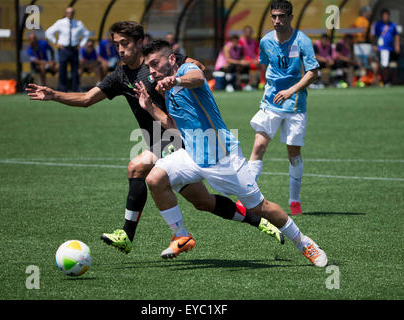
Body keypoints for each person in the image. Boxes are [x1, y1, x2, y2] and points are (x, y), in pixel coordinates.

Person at [26, 21, 284, 255]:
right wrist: (54, 94)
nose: (120, 50)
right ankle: (257, 220)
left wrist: (180, 75)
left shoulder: (161, 65)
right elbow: (85, 99)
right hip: (159, 143)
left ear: (139, 43)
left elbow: (197, 69)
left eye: (125, 44)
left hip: (180, 140)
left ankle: (137, 235)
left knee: (137, 167)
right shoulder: (119, 76)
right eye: (116, 45)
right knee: (202, 202)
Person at [134, 40, 327, 267]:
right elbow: (176, 127)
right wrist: (149, 108)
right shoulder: (163, 89)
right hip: (192, 156)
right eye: (149, 67)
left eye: (156, 64)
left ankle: (304, 243)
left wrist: (175, 79)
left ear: (172, 60)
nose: (153, 71)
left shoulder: (186, 71)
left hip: (223, 157)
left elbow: (197, 78)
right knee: (155, 178)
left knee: (259, 207)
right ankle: (181, 235)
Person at [248, 0, 319, 216]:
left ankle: (294, 201)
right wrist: (268, 87)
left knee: (293, 154)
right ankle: (247, 199)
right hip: (271, 102)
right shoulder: (266, 41)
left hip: (295, 104)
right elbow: (265, 64)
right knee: (258, 146)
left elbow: (313, 72)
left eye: (281, 16)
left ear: (290, 17)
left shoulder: (303, 41)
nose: (277, 21)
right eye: (274, 16)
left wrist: (291, 90)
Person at [45, 6, 90, 92]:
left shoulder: (78, 23)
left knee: (75, 71)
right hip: (63, 49)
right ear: (65, 13)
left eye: (72, 12)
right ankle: (62, 89)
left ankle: (75, 89)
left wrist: (81, 44)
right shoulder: (60, 22)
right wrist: (56, 42)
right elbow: (48, 32)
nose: (70, 14)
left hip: (74, 49)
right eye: (69, 12)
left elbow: (86, 34)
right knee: (62, 70)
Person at [374, 8, 401, 86]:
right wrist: (375, 45)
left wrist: (397, 46)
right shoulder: (378, 25)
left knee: (387, 65)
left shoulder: (392, 25)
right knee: (382, 64)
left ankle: (387, 80)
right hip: (381, 47)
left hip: (390, 48)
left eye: (387, 15)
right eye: (384, 15)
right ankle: (382, 80)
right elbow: (375, 36)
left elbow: (396, 36)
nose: (385, 17)